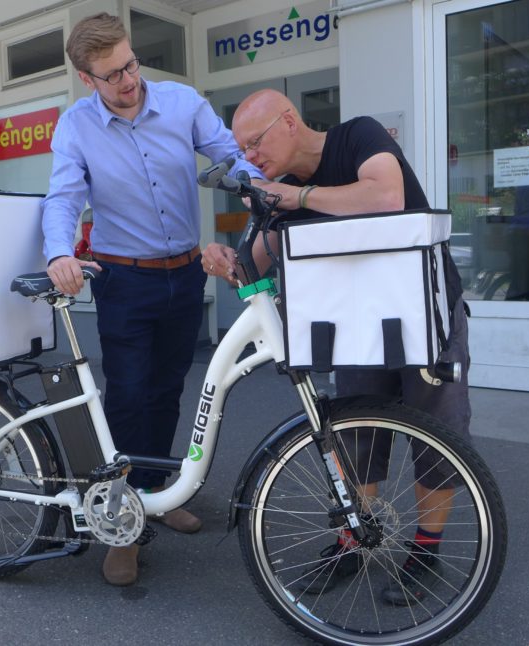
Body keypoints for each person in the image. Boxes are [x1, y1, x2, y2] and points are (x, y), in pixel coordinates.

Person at [201, 89, 472, 605]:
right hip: (355, 321)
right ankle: (354, 539)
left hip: (423, 310)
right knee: (353, 435)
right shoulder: (279, 191)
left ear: (289, 120)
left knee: (436, 434)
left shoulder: (356, 136)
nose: (251, 158)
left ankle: (426, 550)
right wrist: (222, 260)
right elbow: (250, 269)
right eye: (243, 151)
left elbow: (385, 196)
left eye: (255, 143)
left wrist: (296, 198)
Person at [41, 13, 259, 587]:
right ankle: (122, 522)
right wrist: (59, 252)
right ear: (87, 79)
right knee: (129, 396)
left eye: (131, 64)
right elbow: (63, 198)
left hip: (183, 275)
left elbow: (230, 153)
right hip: (124, 280)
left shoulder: (182, 104)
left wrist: (256, 184)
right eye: (112, 75)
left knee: (167, 390)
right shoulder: (76, 127)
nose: (128, 80)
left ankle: (157, 492)